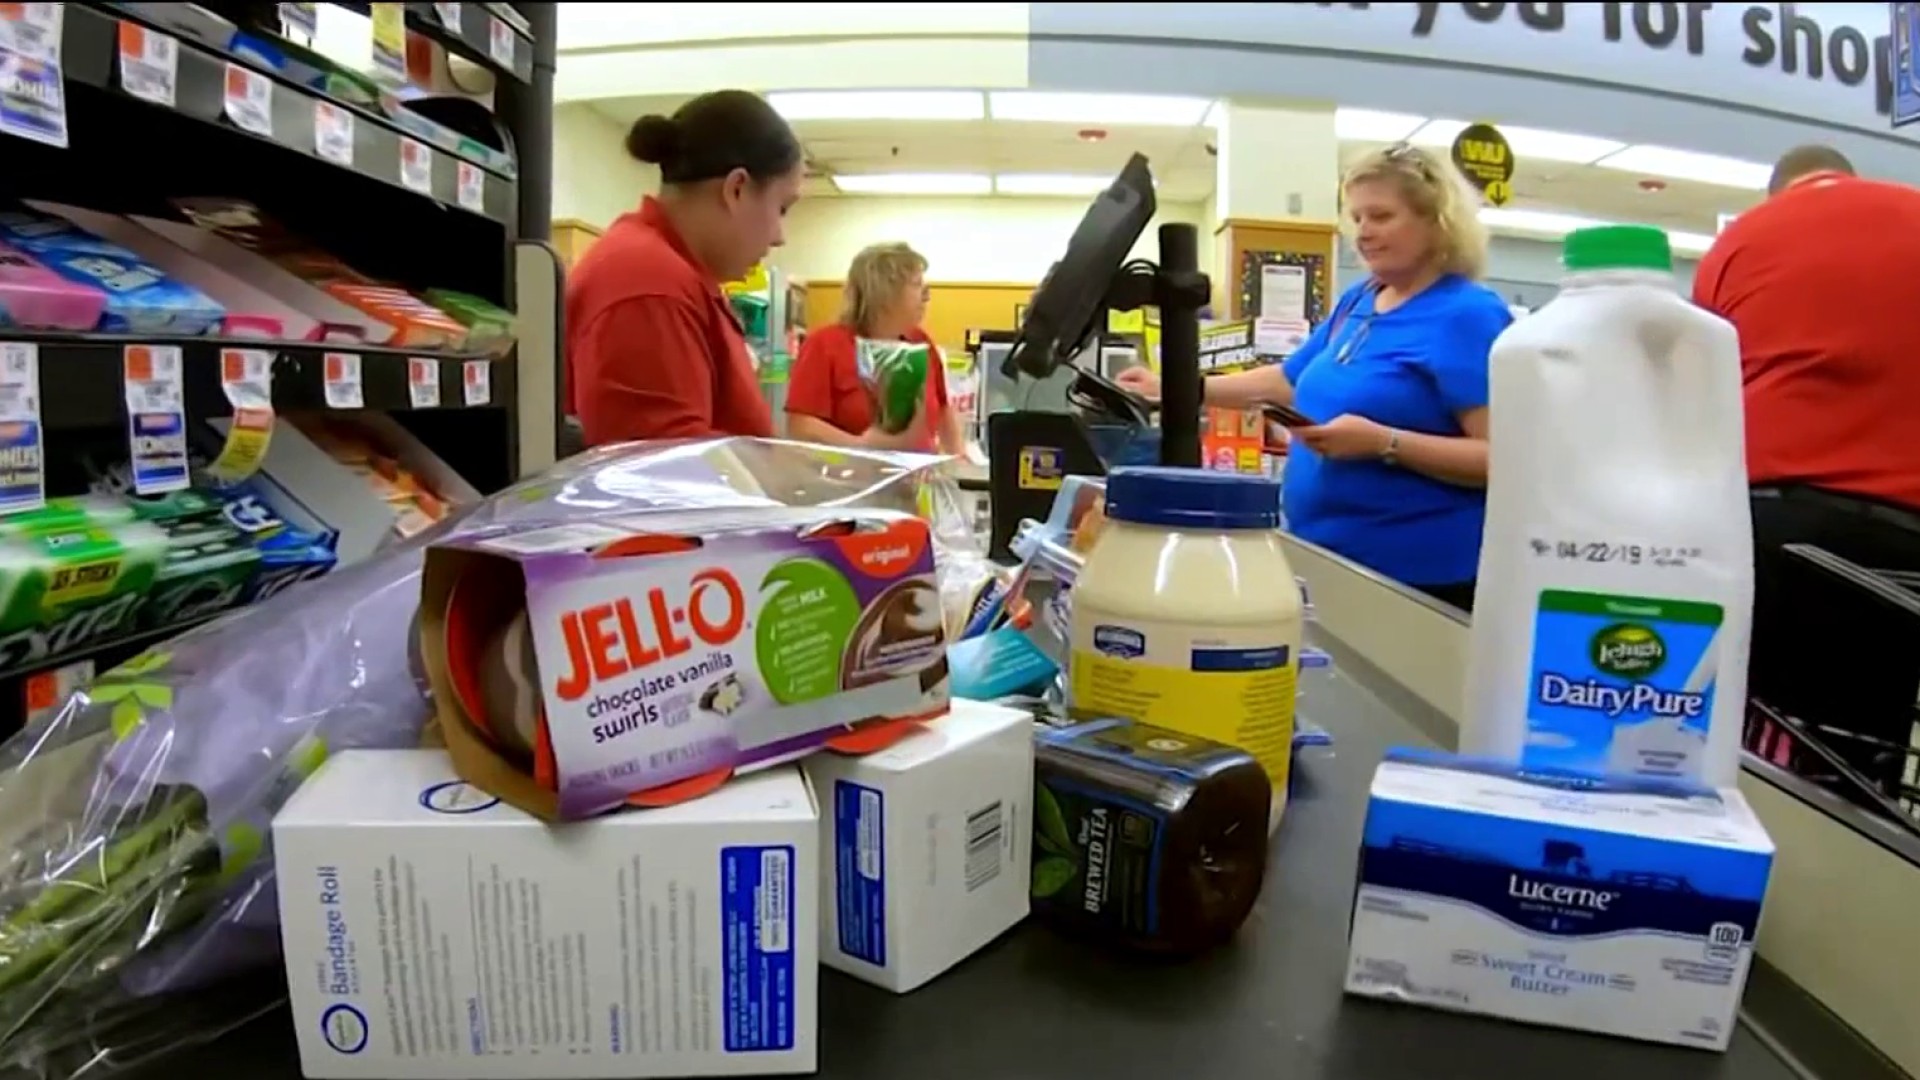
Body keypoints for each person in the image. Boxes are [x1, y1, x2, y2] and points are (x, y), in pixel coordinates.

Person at [1118, 144, 1510, 610]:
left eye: (1381, 216)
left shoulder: (1467, 315)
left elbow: (1502, 461)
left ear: (1436, 222)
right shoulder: (1361, 298)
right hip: (1323, 556)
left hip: (1416, 579)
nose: (1363, 233)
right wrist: (1176, 389)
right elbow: (1286, 382)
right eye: (1357, 218)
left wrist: (1384, 442)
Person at [1692, 144, 1920, 732]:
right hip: (1902, 541)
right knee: (1865, 736)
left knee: (1755, 730)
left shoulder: (1743, 238)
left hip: (1768, 526)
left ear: (1780, 190)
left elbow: (1705, 387)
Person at [563, 90, 803, 446]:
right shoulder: (648, 280)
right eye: (781, 208)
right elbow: (663, 473)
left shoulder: (673, 271)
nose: (779, 237)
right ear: (736, 189)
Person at [785, 242, 954, 452]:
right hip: (851, 480)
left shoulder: (920, 342)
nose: (927, 296)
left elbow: (944, 409)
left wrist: (959, 460)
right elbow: (801, 427)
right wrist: (863, 446)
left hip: (916, 480)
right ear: (885, 292)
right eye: (917, 284)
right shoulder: (824, 345)